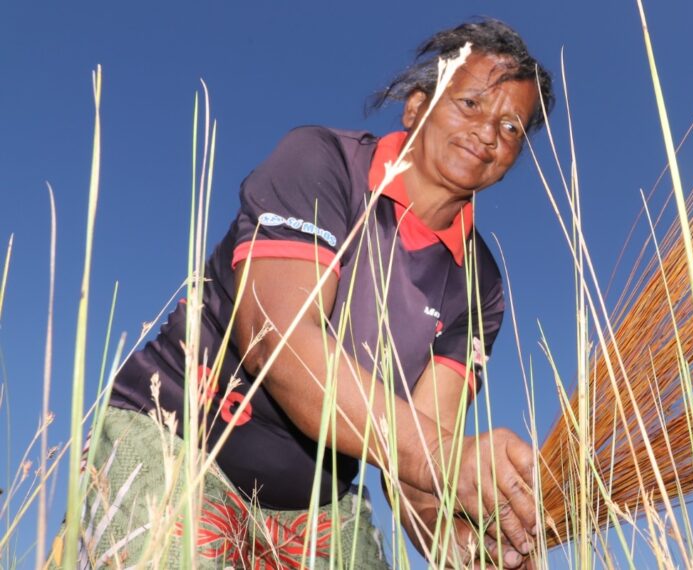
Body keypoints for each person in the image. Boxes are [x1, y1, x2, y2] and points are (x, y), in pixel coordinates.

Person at [57, 18, 554, 569]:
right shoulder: (321, 163)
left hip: (317, 500)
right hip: (178, 438)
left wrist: (459, 545)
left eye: (511, 128)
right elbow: (279, 342)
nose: (489, 132)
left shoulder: (480, 285)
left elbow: (417, 458)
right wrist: (443, 457)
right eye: (471, 103)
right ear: (416, 107)